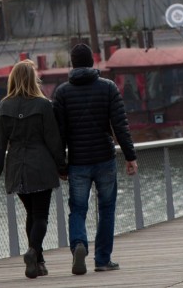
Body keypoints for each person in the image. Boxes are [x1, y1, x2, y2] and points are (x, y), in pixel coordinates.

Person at [53, 44, 138, 274]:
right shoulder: (108, 88)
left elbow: (58, 134)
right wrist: (130, 156)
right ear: (92, 62)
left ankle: (79, 244)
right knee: (107, 208)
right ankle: (102, 260)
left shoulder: (62, 93)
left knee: (78, 209)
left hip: (78, 161)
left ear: (72, 63)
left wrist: (61, 165)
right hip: (104, 158)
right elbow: (120, 125)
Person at [0, 60, 66, 279]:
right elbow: (53, 140)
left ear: (12, 79)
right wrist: (62, 166)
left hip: (16, 168)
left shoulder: (3, 106)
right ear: (34, 80)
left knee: (31, 213)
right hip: (41, 166)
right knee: (41, 215)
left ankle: (38, 263)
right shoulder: (43, 105)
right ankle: (33, 252)